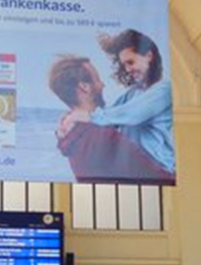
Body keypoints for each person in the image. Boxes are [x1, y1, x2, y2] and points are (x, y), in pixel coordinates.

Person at [58, 29, 174, 174]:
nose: (128, 69)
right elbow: (110, 116)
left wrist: (86, 116)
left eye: (131, 62)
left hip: (163, 170)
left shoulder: (165, 90)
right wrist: (69, 120)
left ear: (149, 56)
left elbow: (131, 115)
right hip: (141, 168)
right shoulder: (133, 93)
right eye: (124, 65)